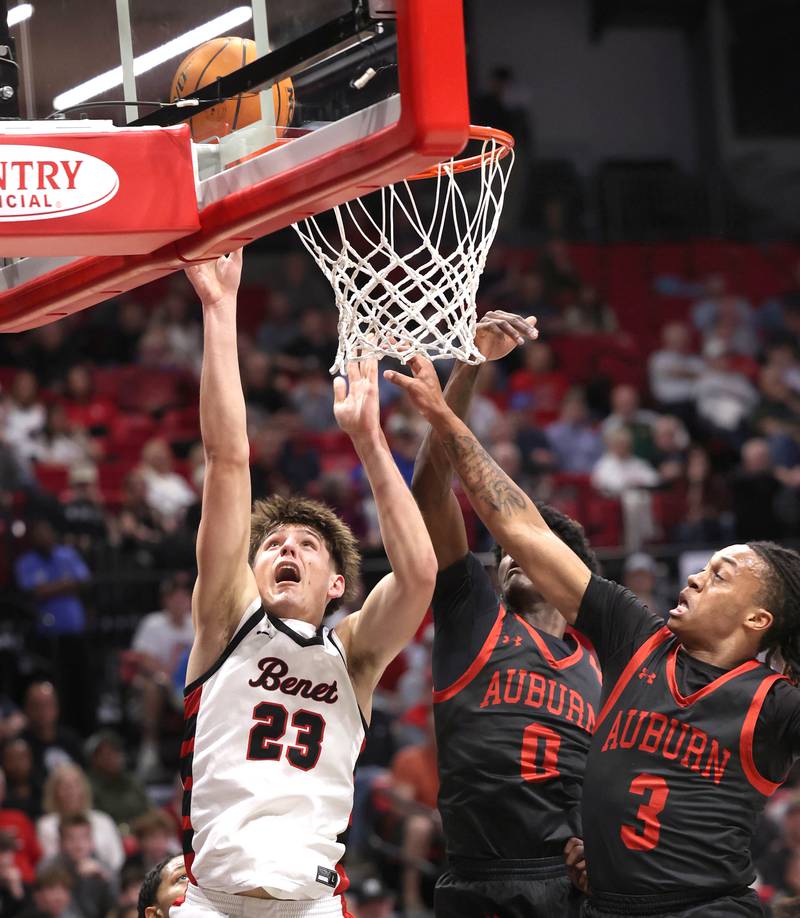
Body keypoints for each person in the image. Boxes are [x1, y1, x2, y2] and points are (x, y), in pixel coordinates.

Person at [386, 351, 800, 918]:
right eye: (704, 567)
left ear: (758, 620)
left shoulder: (774, 702)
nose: (697, 574)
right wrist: (446, 414)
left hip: (693, 904)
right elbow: (519, 524)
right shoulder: (635, 637)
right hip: (569, 895)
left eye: (720, 574)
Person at [177, 250, 436, 914]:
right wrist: (218, 306)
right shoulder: (225, 618)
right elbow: (228, 459)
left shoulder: (352, 655)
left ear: (336, 587)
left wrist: (370, 442)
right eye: (272, 544)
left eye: (308, 545)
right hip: (212, 900)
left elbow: (419, 574)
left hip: (312, 903)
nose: (286, 546)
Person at [408, 310, 601, 917]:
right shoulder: (474, 614)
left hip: (575, 882)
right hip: (477, 879)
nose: (512, 556)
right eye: (506, 551)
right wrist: (470, 363)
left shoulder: (605, 663)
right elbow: (431, 491)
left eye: (532, 547)